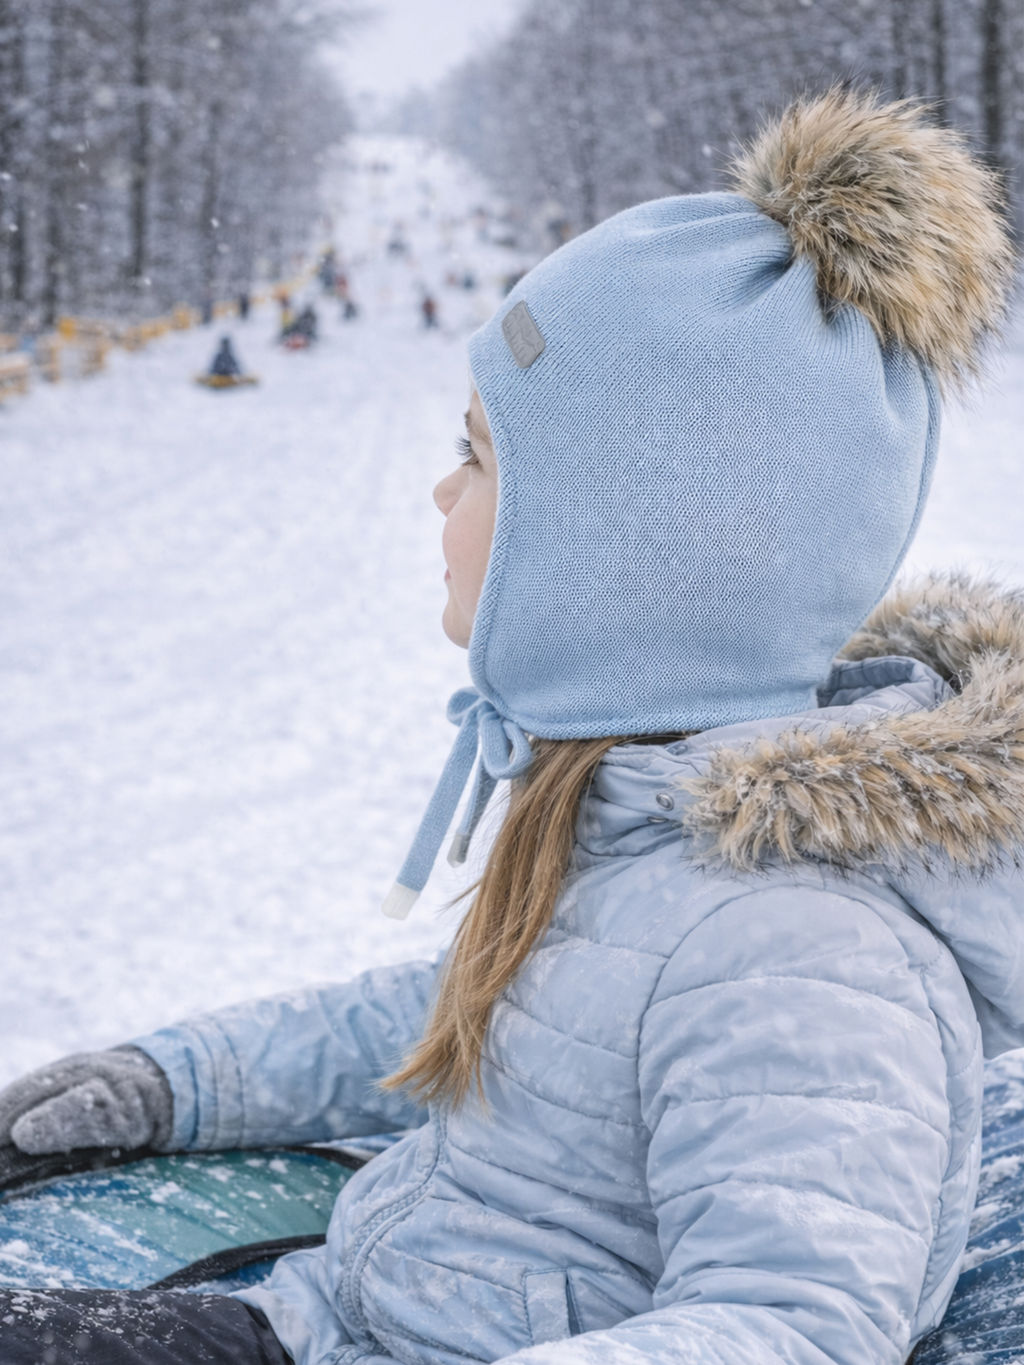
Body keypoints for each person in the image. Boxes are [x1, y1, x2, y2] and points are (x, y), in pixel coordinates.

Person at [0, 89, 1017, 1365]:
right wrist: (167, 1082)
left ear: (620, 550)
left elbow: (796, 1327)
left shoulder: (800, 941)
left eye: (479, 457)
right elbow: (470, 1016)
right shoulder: (650, 806)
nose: (440, 488)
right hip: (332, 1316)